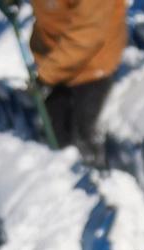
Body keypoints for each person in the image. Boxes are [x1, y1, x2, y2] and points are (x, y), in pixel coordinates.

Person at [27, 0, 126, 166]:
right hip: (57, 61)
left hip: (92, 65)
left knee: (82, 138)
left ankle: (96, 175)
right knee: (55, 136)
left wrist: (47, 75)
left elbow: (88, 35)